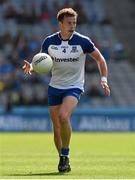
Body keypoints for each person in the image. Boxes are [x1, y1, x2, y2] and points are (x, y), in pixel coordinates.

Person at [22, 8, 110, 173]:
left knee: (63, 116)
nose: (72, 26)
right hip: (54, 87)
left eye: (74, 23)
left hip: (74, 86)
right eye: (69, 23)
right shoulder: (49, 41)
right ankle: (63, 158)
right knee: (56, 128)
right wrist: (31, 68)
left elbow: (100, 59)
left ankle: (66, 152)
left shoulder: (83, 41)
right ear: (60, 23)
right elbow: (41, 62)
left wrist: (103, 79)